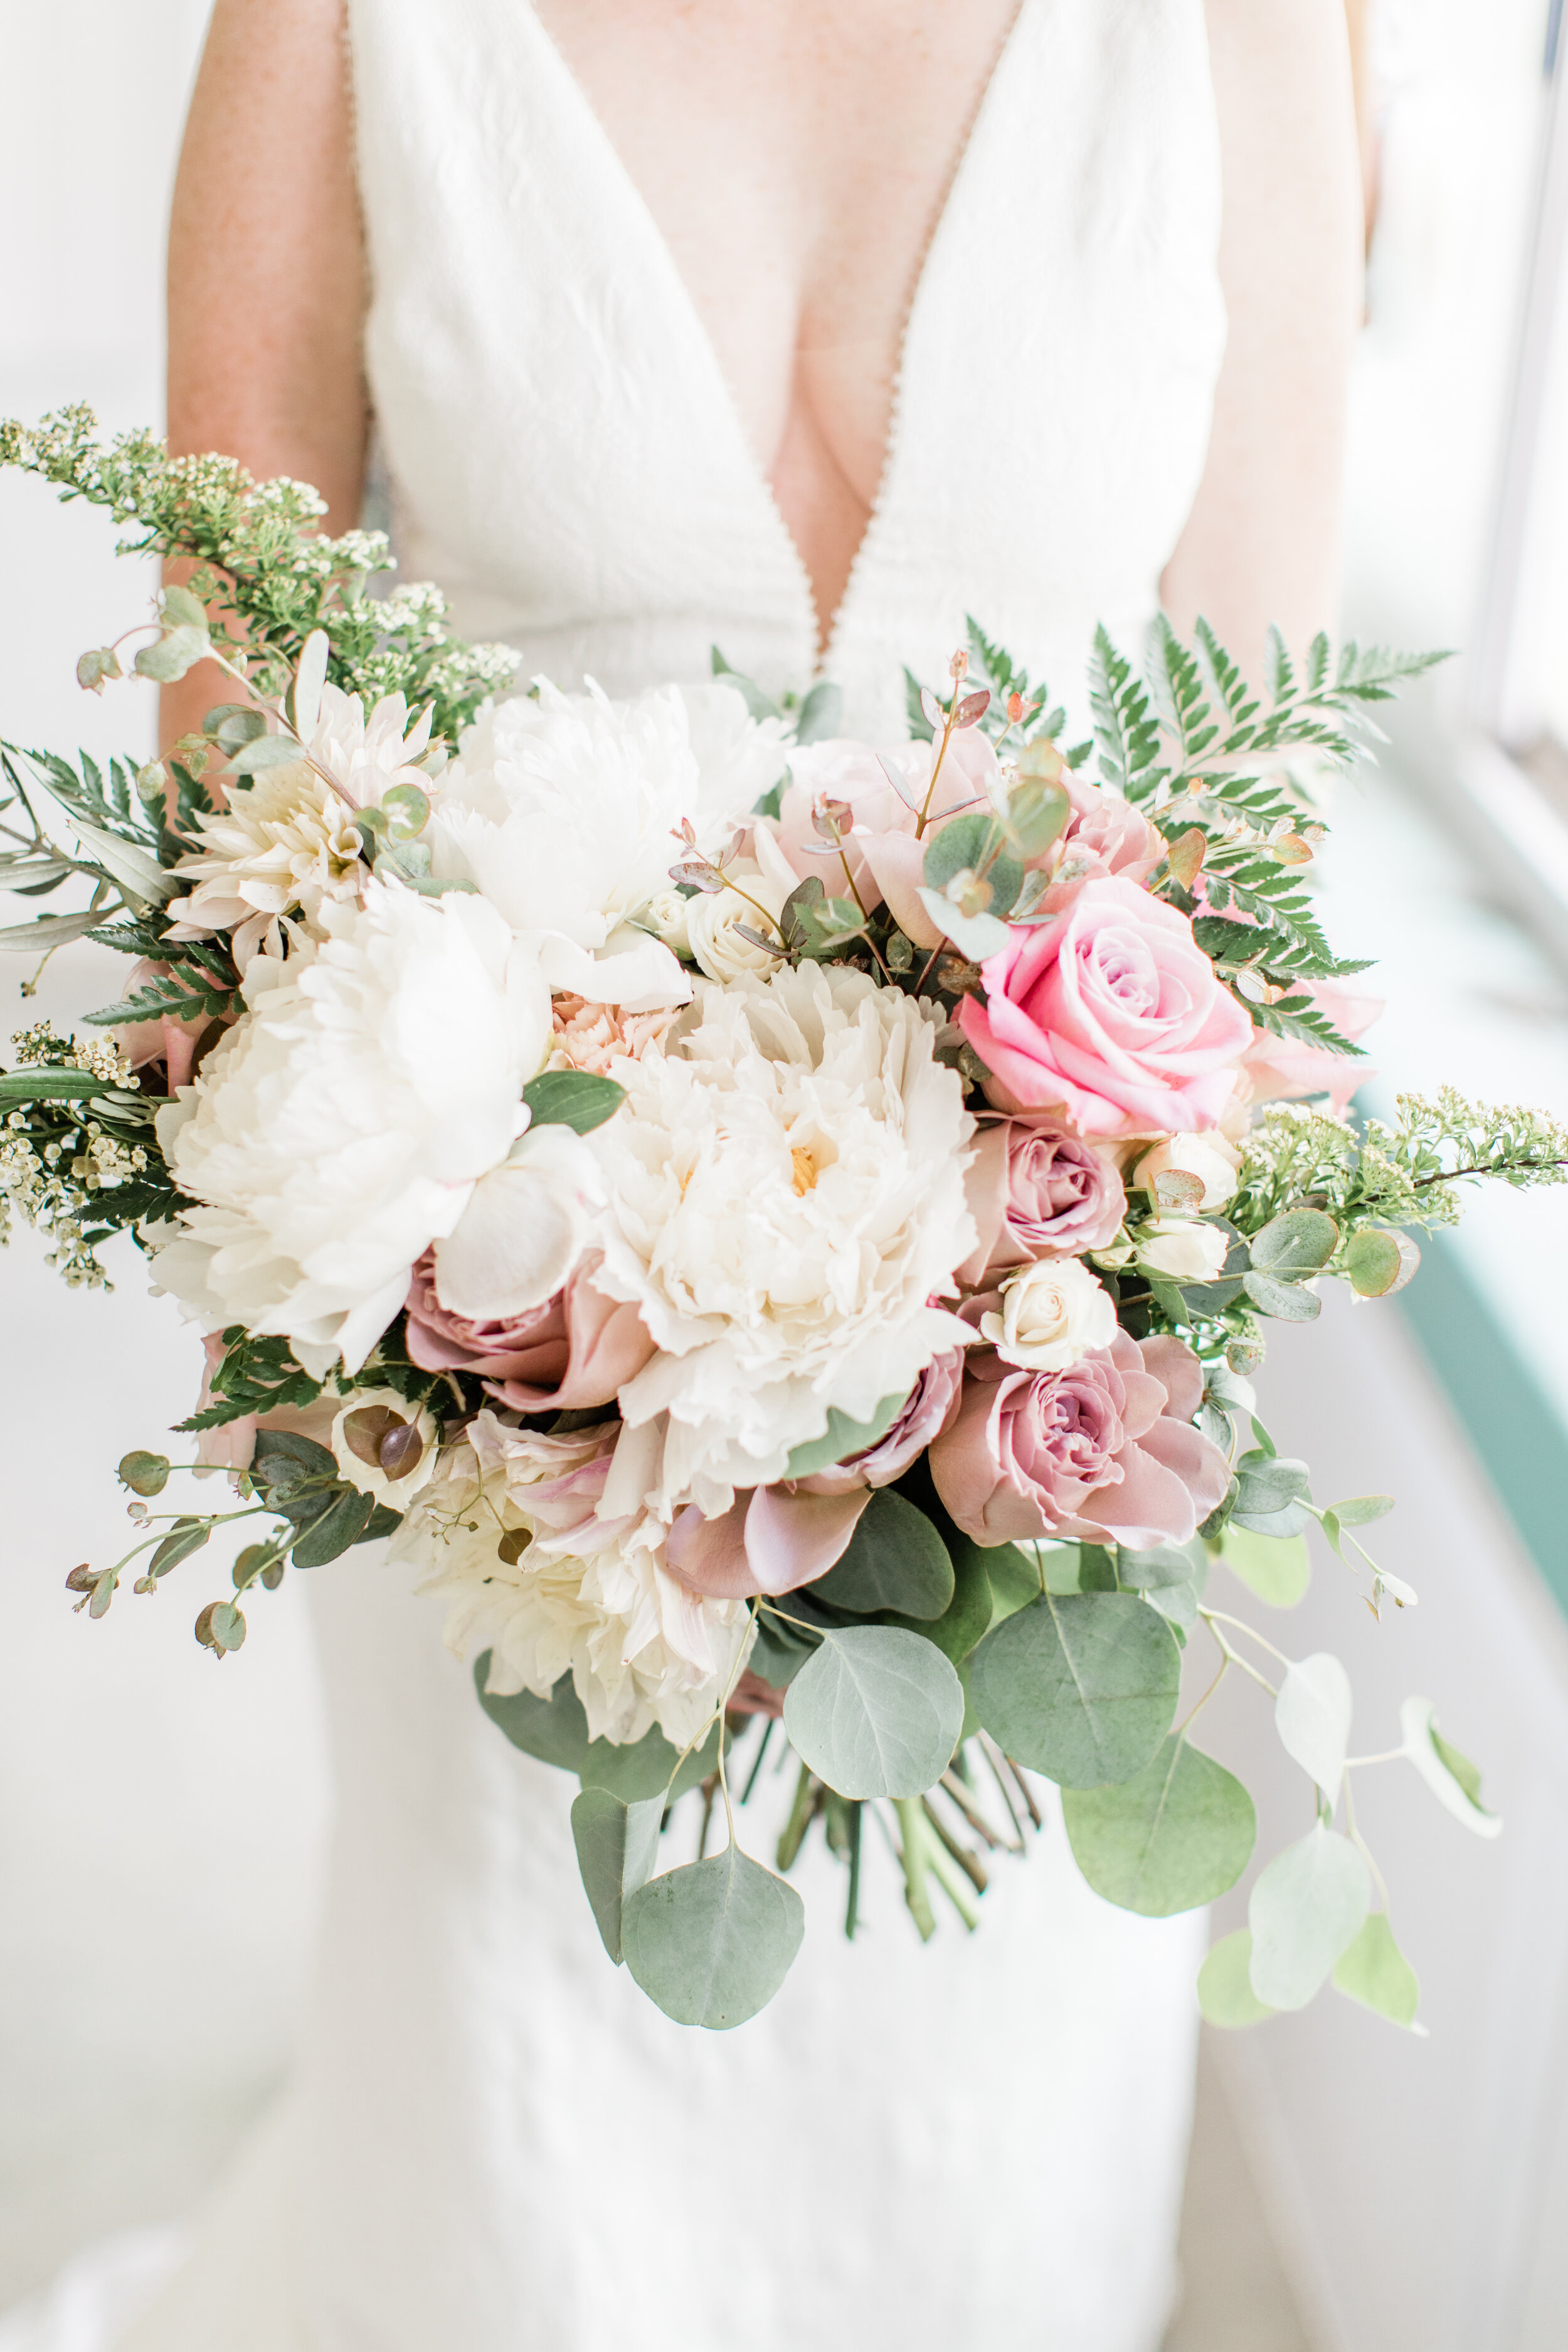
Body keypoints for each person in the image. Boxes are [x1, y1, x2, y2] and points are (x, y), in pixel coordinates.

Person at [60, 3, 1362, 2346]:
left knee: (983, 2133)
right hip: (493, 1353)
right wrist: (511, 1388)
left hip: (1042, 1382)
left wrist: (1045, 1307)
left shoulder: (1249, 36)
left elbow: (1259, 831)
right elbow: (226, 809)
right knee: (527, 2149)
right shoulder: (341, 24)